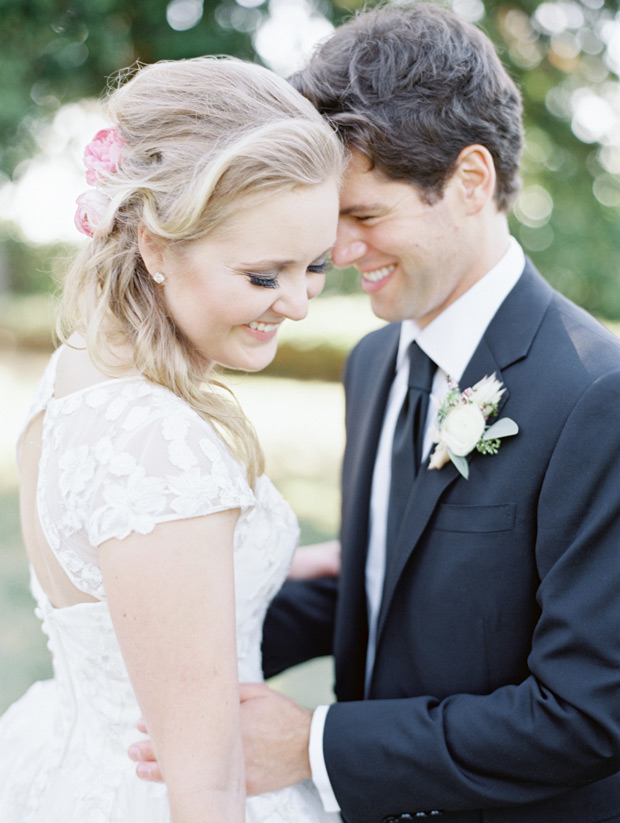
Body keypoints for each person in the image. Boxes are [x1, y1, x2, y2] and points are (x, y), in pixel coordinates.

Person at [131, 4, 620, 821]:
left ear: (470, 181)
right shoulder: (373, 363)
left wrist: (315, 745)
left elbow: (586, 714)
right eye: (332, 219)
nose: (339, 253)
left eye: (365, 215)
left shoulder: (594, 397)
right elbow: (381, 592)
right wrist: (181, 627)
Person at [0, 55, 345, 822]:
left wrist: (278, 560)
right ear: (156, 245)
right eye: (263, 275)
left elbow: (119, 582)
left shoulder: (79, 369)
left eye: (317, 265)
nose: (297, 303)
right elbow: (207, 787)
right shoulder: (159, 447)